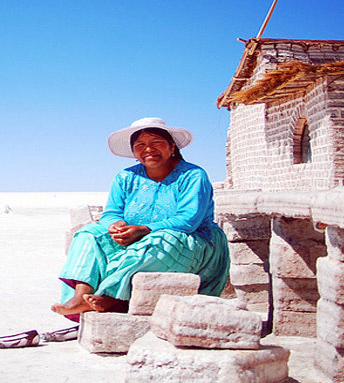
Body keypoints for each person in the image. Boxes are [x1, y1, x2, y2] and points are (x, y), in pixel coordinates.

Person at [51, 117, 229, 321]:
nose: (148, 149)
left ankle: (110, 297)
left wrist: (144, 229)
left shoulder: (192, 176)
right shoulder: (125, 178)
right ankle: (81, 295)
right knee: (88, 234)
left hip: (193, 242)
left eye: (156, 143)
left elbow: (188, 220)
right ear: (134, 152)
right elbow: (111, 213)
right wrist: (115, 225)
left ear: (172, 147)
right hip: (137, 239)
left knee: (163, 240)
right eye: (140, 145)